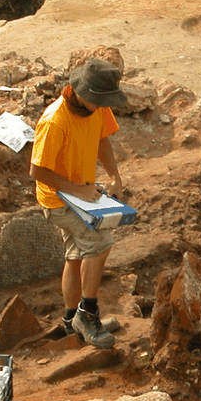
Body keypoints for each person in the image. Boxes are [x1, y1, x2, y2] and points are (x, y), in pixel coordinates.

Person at [29, 57, 127, 348]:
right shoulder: (54, 121)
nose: (104, 104)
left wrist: (115, 176)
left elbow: (102, 140)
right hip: (57, 199)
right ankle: (87, 314)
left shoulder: (97, 106)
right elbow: (37, 171)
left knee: (75, 256)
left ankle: (72, 320)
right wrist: (77, 191)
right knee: (101, 243)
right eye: (100, 100)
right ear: (84, 93)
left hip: (79, 193)